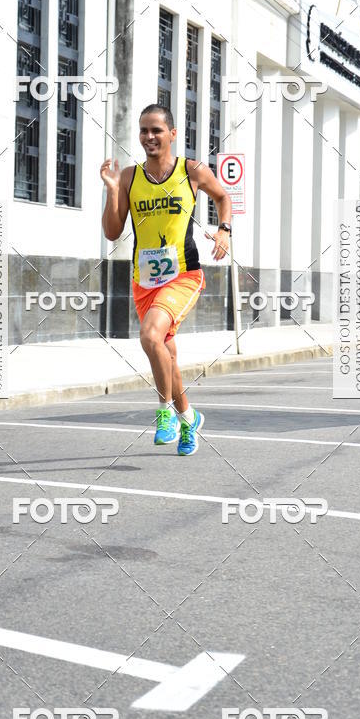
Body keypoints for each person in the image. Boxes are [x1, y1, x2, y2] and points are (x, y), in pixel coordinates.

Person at [100, 104, 232, 456]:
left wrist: (224, 229)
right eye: (144, 130)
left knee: (149, 336)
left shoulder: (191, 171)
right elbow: (112, 232)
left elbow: (222, 197)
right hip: (144, 281)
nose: (149, 137)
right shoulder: (130, 177)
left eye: (156, 130)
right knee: (166, 354)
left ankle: (164, 414)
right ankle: (189, 418)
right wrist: (112, 190)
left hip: (183, 275)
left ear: (172, 134)